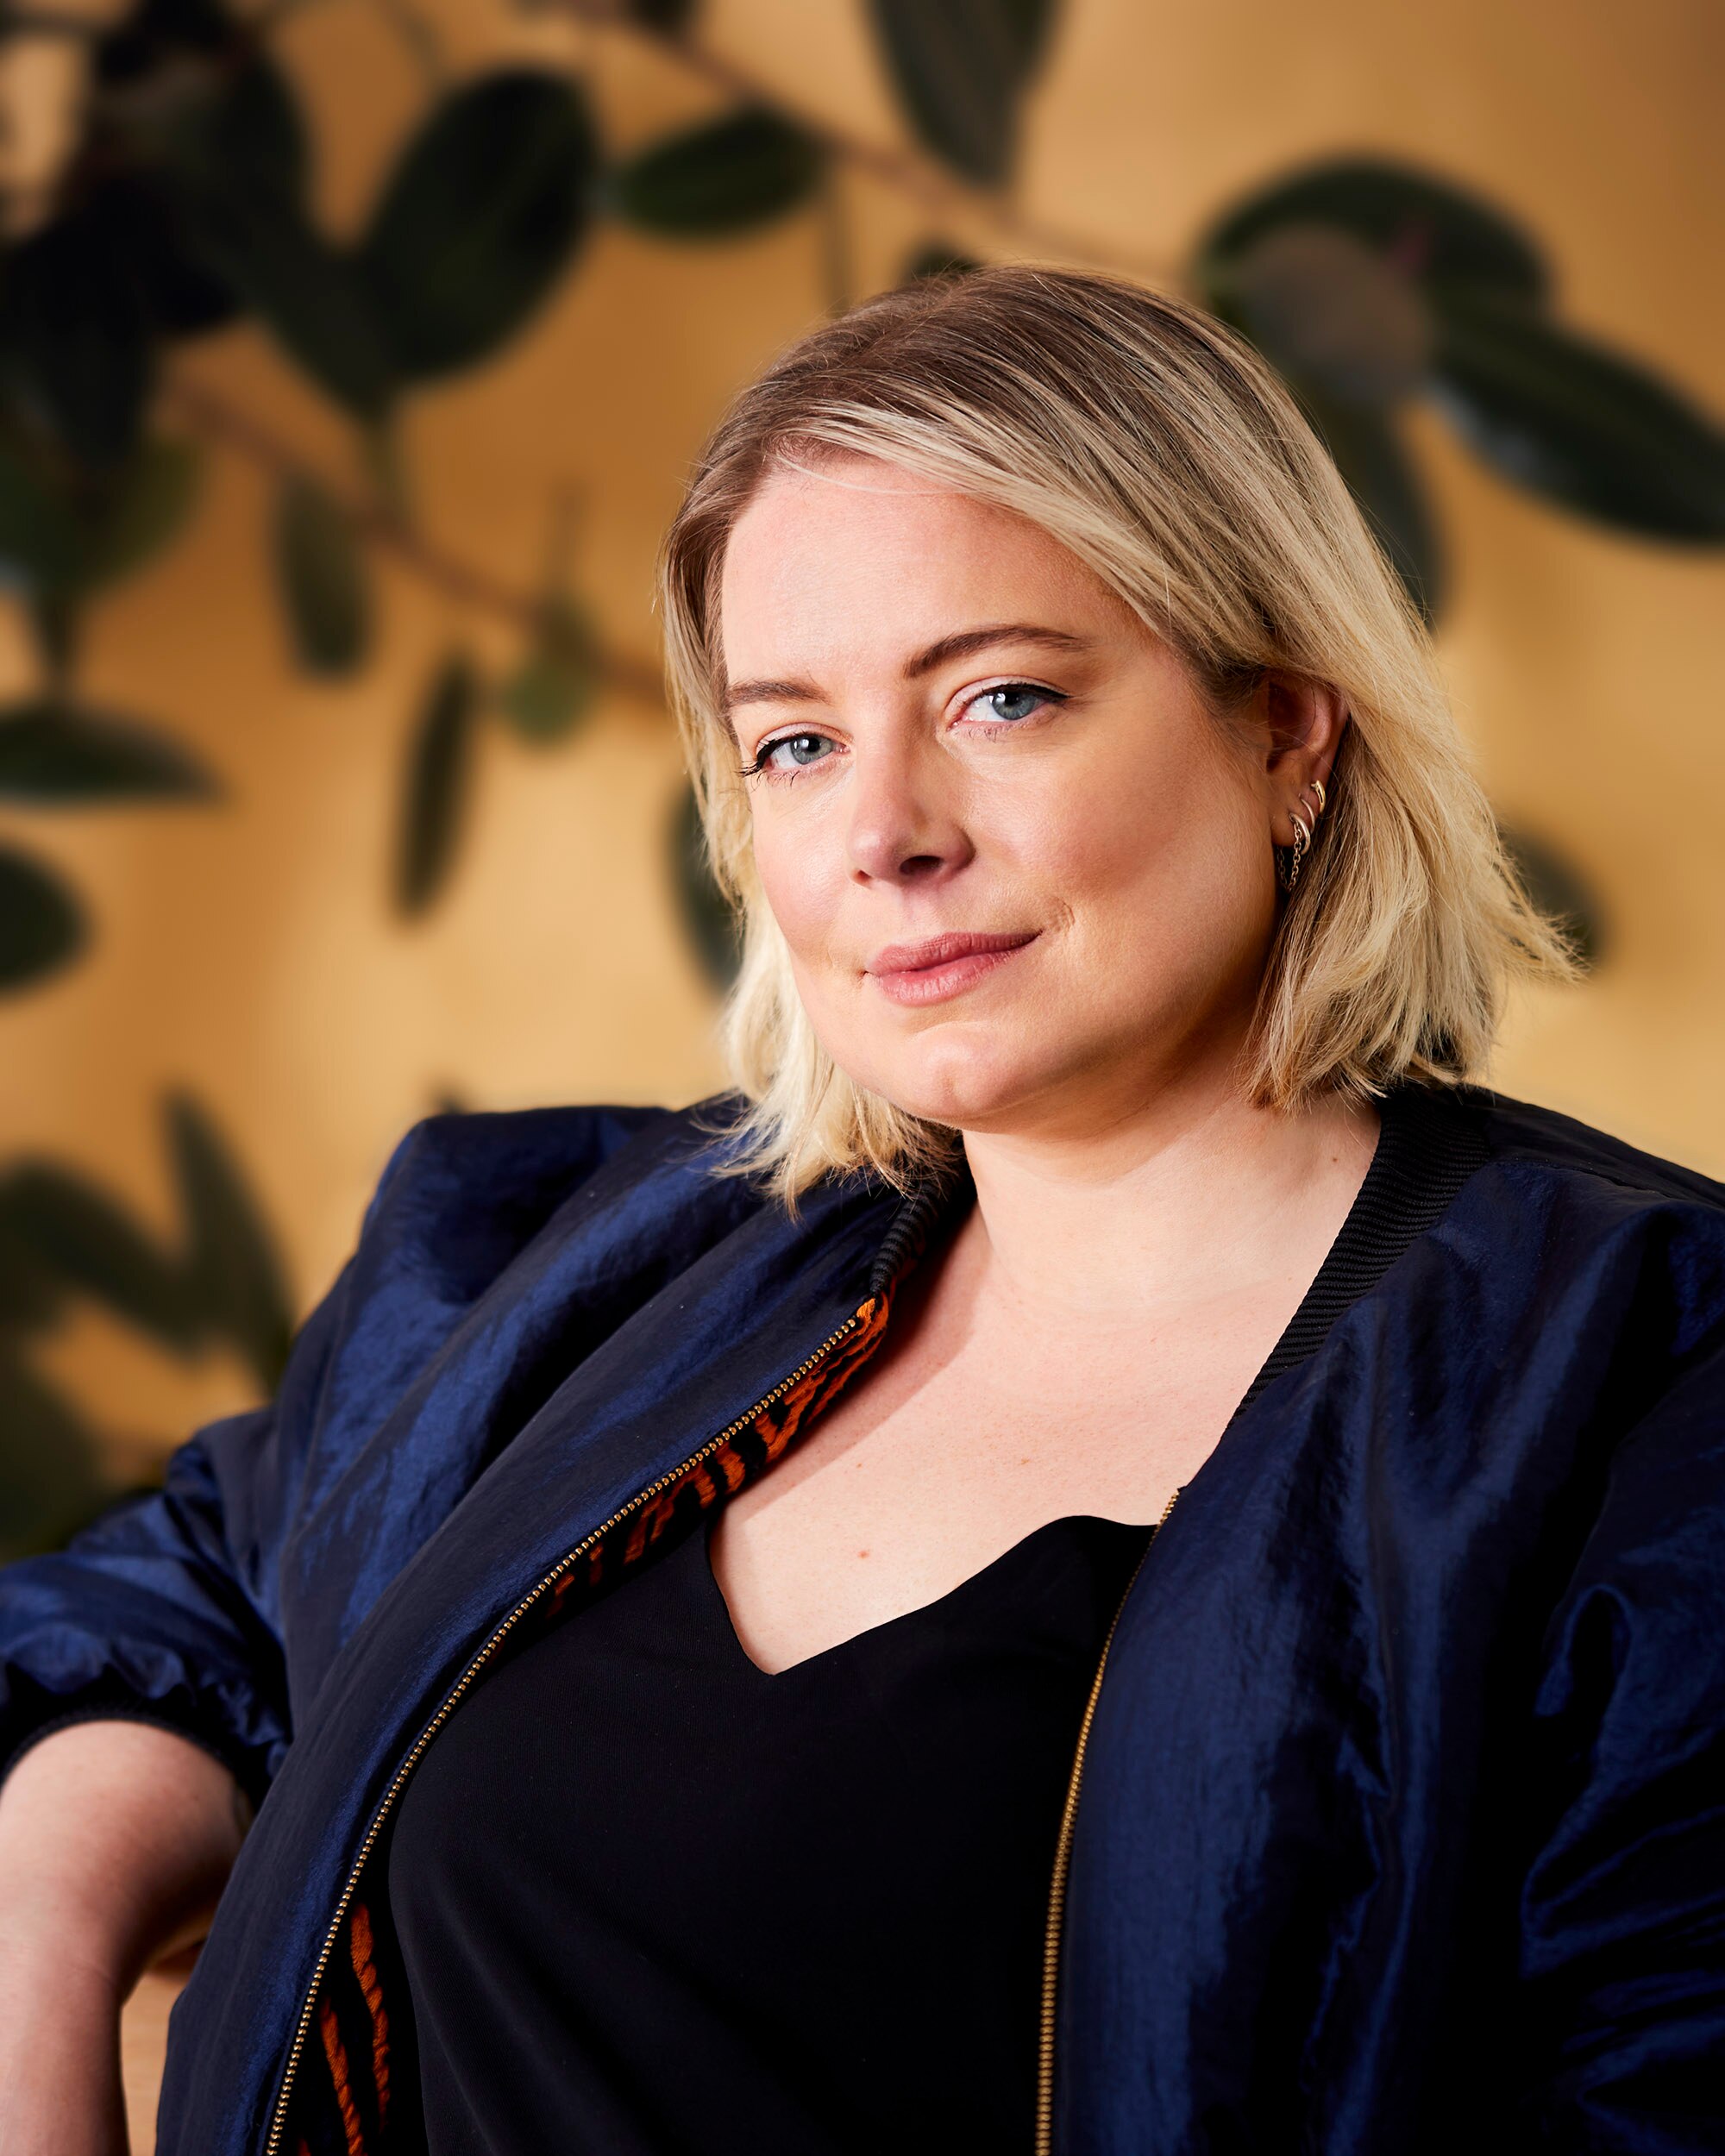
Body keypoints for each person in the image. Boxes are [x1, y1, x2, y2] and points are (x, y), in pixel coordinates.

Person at [1, 266, 1722, 2156]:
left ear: (1287, 730)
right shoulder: (605, 1265)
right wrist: (38, 1939)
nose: (887, 833)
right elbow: (182, 1601)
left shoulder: (1636, 1379)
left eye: (1002, 699)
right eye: (796, 742)